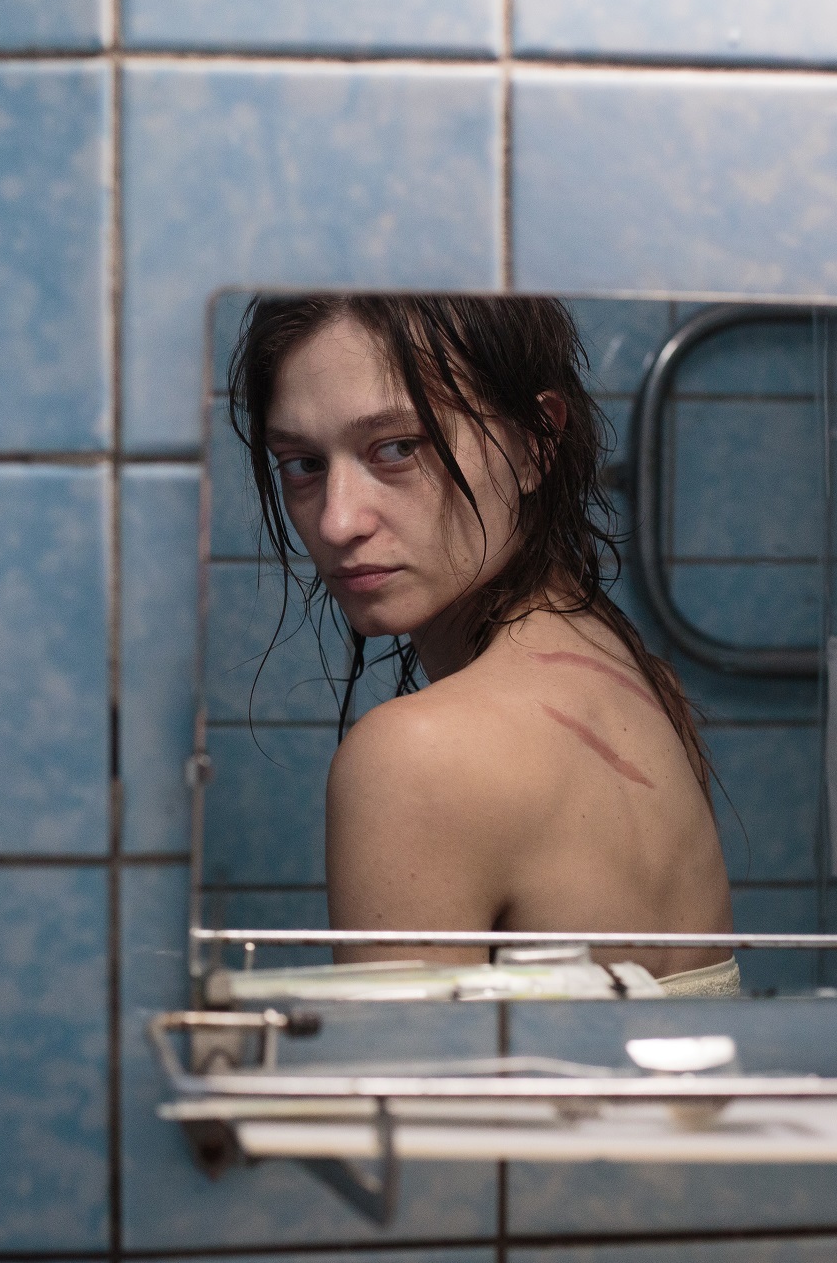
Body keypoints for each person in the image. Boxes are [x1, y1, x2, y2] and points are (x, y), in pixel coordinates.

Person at [229, 294, 737, 993]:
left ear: (535, 442)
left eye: (399, 448)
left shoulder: (415, 756)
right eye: (303, 463)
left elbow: (406, 1070)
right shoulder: (638, 678)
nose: (338, 521)